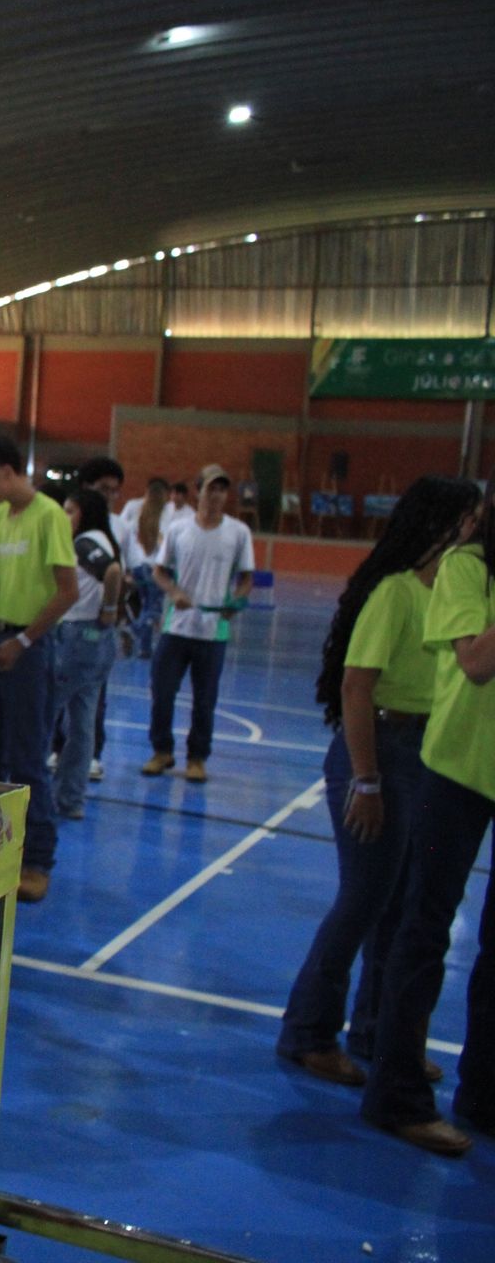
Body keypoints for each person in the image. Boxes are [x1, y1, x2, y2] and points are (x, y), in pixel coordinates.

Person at [278, 478, 481, 1091]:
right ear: (441, 525)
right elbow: (355, 688)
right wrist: (367, 781)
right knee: (364, 899)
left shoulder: (449, 592)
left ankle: (374, 1030)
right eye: (468, 520)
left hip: (424, 752)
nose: (475, 532)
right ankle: (309, 1031)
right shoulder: (395, 593)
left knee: (398, 906)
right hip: (379, 751)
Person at [359, 497, 495, 1157]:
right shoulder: (468, 567)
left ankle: (484, 1092)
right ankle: (397, 1095)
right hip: (457, 775)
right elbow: (475, 661)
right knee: (423, 929)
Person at [0, 434, 77, 903]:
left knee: (28, 758)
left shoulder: (49, 515)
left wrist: (24, 640)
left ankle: (37, 860)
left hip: (27, 648)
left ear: (9, 471)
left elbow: (67, 590)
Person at [142, 464, 255, 782]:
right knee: (162, 691)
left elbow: (246, 578)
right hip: (176, 627)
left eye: (222, 489)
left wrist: (237, 600)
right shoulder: (179, 530)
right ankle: (161, 751)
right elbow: (159, 571)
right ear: (198, 490)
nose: (217, 494)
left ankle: (197, 757)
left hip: (213, 630)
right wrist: (175, 592)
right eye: (211, 488)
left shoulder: (238, 533)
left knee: (205, 700)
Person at [48, 488, 126, 820]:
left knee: (45, 714)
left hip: (79, 636)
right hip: (98, 643)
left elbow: (112, 573)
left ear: (84, 513)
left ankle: (34, 797)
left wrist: (109, 608)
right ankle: (70, 800)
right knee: (82, 723)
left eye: (69, 511)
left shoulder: (85, 544)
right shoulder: (105, 539)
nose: (64, 518)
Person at [74, 457, 128, 781]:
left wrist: (111, 611)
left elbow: (120, 572)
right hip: (67, 621)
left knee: (93, 694)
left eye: (114, 490)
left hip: (96, 625)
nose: (109, 495)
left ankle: (93, 753)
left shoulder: (119, 527)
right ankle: (57, 747)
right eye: (102, 489)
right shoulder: (69, 522)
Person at [125, 478, 170, 659]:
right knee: (153, 609)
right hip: (154, 567)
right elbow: (165, 543)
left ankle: (144, 647)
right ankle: (134, 630)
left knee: (145, 607)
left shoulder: (135, 510)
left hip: (137, 565)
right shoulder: (166, 514)